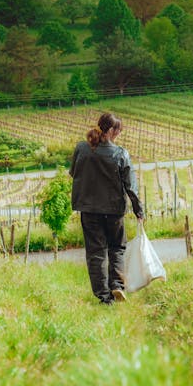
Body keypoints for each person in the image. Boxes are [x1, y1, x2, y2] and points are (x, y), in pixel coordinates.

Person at [69, 112, 144, 305]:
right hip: (113, 211)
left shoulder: (82, 149)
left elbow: (73, 173)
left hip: (89, 210)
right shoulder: (120, 154)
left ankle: (104, 297)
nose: (119, 135)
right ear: (112, 130)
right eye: (119, 131)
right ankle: (117, 286)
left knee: (96, 252)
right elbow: (130, 186)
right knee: (117, 248)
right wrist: (139, 210)